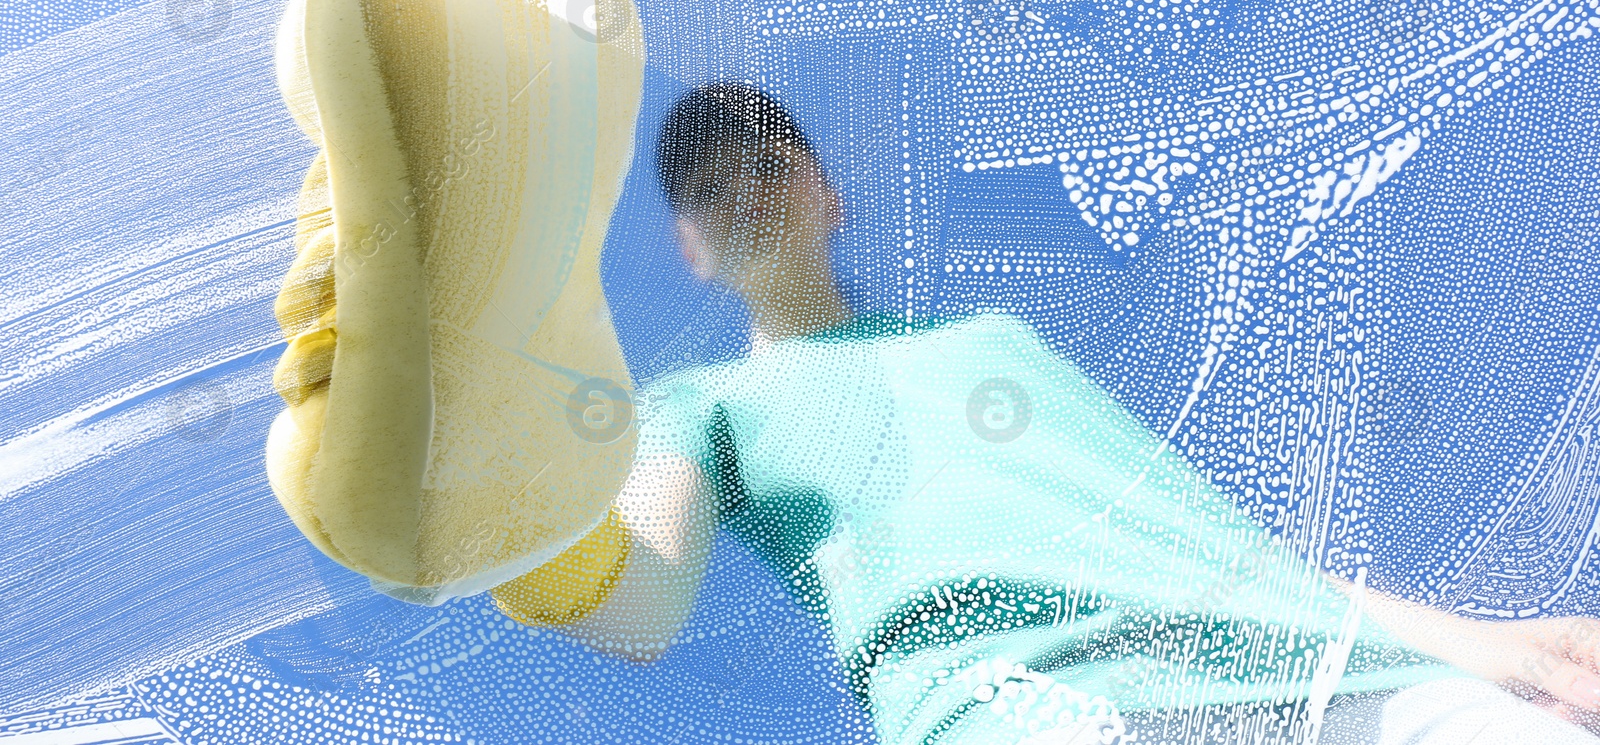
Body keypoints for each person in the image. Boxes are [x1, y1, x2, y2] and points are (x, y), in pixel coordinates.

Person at [519, 82, 1600, 745]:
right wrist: (482, 484)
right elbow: (637, 603)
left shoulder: (987, 341)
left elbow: (1208, 546)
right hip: (1033, 706)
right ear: (690, 249)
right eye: (707, 188)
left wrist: (1496, 648)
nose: (743, 186)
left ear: (827, 193)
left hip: (1330, 673)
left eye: (768, 160)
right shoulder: (697, 404)